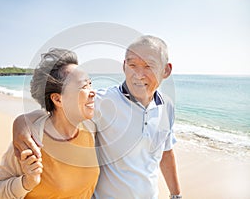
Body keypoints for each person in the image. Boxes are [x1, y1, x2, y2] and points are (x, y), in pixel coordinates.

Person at [13, 35, 181, 199]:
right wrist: (21, 122)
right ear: (124, 66)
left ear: (166, 70)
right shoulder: (103, 101)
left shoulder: (167, 107)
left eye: (149, 66)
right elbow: (61, 107)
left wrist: (176, 195)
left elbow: (166, 153)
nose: (138, 74)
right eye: (132, 65)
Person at [0, 48, 99, 199]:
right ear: (58, 99)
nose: (93, 92)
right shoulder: (30, 141)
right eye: (84, 86)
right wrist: (26, 183)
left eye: (90, 83)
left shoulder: (90, 128)